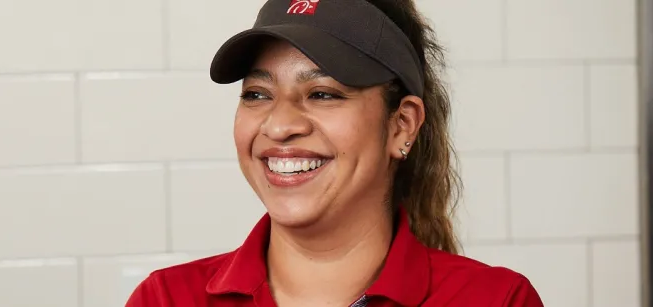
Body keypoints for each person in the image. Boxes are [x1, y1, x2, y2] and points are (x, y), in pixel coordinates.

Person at [126, 0, 544, 306]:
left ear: (402, 125)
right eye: (257, 94)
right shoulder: (165, 299)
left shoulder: (497, 300)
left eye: (322, 93)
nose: (278, 125)